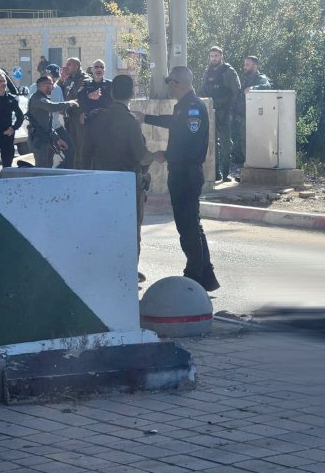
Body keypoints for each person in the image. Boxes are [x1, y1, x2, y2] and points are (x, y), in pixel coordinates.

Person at [137, 66, 220, 291]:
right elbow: (173, 122)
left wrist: (166, 155)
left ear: (179, 83)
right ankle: (206, 275)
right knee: (191, 225)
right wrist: (146, 118)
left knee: (188, 226)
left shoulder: (194, 109)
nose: (168, 86)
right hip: (182, 172)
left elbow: (190, 147)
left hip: (187, 173)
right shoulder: (184, 107)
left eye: (170, 82)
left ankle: (193, 275)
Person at [82, 75, 152, 283]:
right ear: (132, 94)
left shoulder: (96, 118)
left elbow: (84, 155)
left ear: (111, 94)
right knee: (131, 230)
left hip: (101, 183)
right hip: (128, 184)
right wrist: (156, 156)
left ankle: (106, 269)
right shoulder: (129, 121)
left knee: (106, 227)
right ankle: (128, 271)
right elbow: (141, 156)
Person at [199, 46, 240, 182]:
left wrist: (231, 111)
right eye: (211, 56)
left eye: (216, 56)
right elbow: (203, 90)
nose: (214, 58)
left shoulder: (229, 72)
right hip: (211, 111)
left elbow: (236, 92)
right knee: (212, 142)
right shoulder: (207, 71)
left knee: (226, 143)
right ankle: (216, 173)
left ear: (222, 56)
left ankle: (226, 173)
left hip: (225, 111)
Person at [27, 76, 78, 167]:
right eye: (51, 84)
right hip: (39, 141)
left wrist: (58, 139)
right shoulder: (37, 99)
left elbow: (48, 126)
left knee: (48, 166)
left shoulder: (43, 98)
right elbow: (52, 107)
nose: (53, 87)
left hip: (46, 139)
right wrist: (68, 103)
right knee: (41, 168)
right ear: (42, 86)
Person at [232, 56, 271, 171]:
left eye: (247, 64)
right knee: (243, 142)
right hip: (243, 116)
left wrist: (253, 88)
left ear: (255, 65)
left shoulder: (260, 78)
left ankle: (254, 167)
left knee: (252, 142)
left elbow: (267, 86)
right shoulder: (246, 78)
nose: (245, 67)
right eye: (245, 64)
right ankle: (248, 166)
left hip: (254, 117)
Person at [60, 57, 91, 168]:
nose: (66, 66)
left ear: (76, 66)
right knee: (71, 144)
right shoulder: (68, 79)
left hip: (79, 116)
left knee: (80, 145)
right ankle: (72, 167)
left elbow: (80, 96)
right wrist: (62, 78)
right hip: (69, 117)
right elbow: (61, 93)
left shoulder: (84, 79)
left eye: (69, 64)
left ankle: (80, 168)